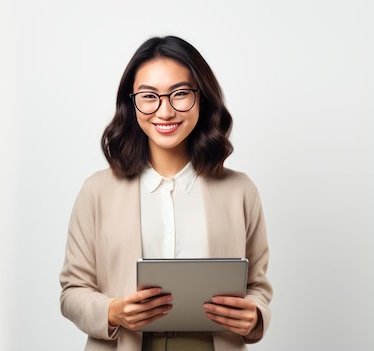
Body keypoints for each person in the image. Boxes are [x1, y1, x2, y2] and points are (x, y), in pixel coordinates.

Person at [59, 35, 272, 351]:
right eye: (149, 96)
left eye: (180, 94)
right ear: (131, 103)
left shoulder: (239, 190)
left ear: (202, 98)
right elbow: (72, 291)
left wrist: (254, 316)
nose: (165, 111)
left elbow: (257, 286)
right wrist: (113, 312)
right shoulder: (97, 191)